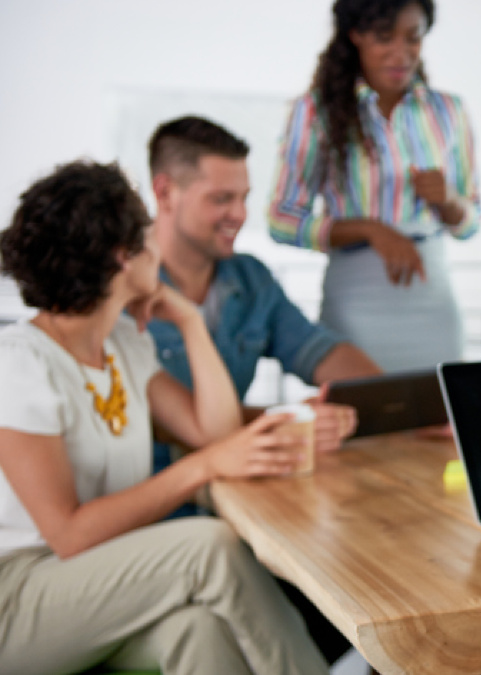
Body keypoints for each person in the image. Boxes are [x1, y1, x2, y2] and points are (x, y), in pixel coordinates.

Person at [0, 160, 325, 674]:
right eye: (148, 238)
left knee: (199, 631)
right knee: (211, 546)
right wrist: (204, 465)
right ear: (122, 257)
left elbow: (213, 433)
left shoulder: (124, 345)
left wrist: (192, 323)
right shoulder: (19, 361)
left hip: (98, 582)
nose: (159, 251)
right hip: (19, 599)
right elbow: (67, 535)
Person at [147, 115, 381, 470]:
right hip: (159, 495)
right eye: (221, 199)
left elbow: (318, 349)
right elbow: (164, 421)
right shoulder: (122, 288)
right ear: (165, 193)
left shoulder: (250, 279)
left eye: (244, 198)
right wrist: (293, 421)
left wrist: (389, 397)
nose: (239, 215)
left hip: (242, 483)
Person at [267, 0, 481, 372]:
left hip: (431, 298)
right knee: (362, 416)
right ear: (356, 35)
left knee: (440, 420)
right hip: (356, 299)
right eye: (384, 38)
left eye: (413, 38)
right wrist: (371, 230)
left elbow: (471, 223)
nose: (401, 53)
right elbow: (281, 220)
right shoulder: (316, 111)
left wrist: (449, 201)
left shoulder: (449, 111)